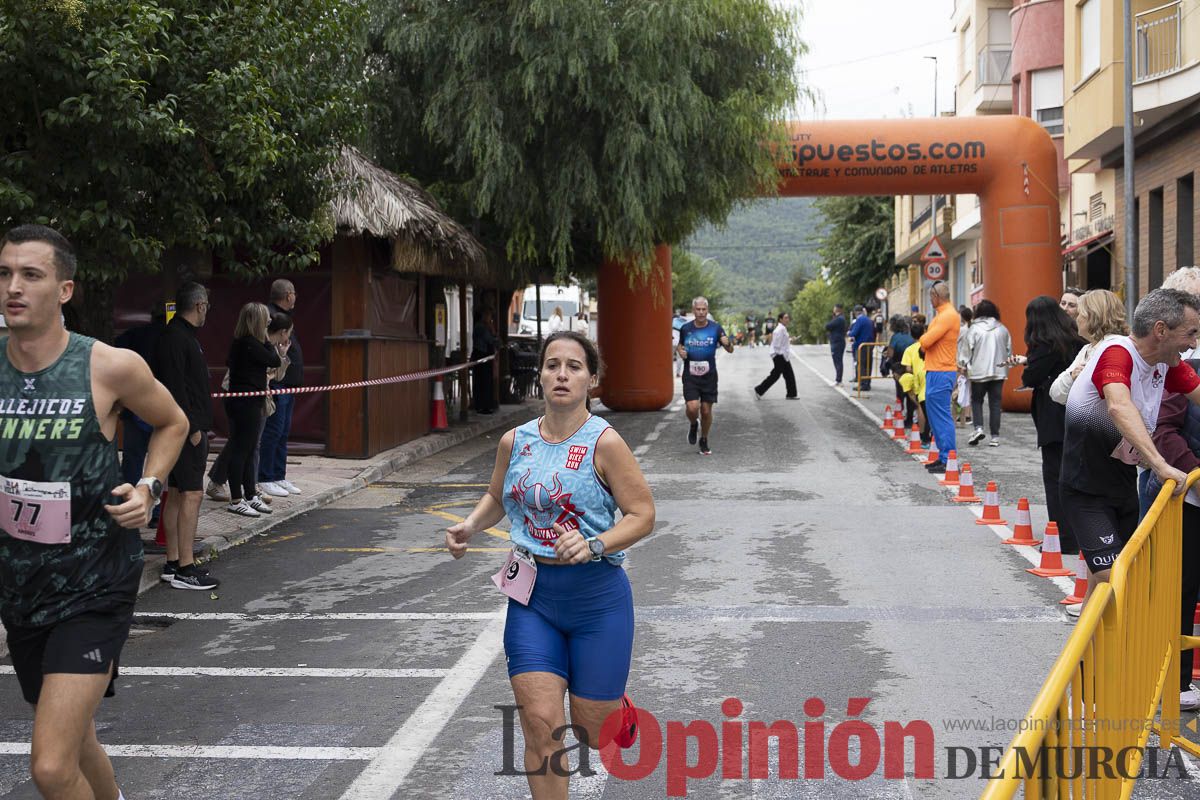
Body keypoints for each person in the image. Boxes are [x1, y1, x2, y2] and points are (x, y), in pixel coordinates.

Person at [0, 224, 189, 800]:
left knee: (52, 767)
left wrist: (149, 487)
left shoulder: (108, 366)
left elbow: (173, 421)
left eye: (31, 275)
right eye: (5, 274)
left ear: (64, 289)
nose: (14, 287)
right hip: (21, 583)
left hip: (95, 580)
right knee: (78, 740)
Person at [445, 331, 654, 799]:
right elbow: (499, 496)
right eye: (552, 365)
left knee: (592, 732)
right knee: (540, 727)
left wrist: (594, 544)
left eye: (574, 367)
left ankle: (615, 708)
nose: (562, 374)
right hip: (532, 599)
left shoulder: (606, 443)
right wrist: (470, 526)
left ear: (591, 380)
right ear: (539, 375)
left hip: (596, 598)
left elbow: (643, 516)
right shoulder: (514, 441)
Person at [1062, 288, 1200, 614]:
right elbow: (1118, 406)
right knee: (1117, 579)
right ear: (1161, 330)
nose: (1194, 343)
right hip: (1085, 490)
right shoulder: (1117, 352)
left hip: (1122, 488)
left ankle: (1087, 659)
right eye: (1190, 333)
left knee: (1107, 586)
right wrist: (1160, 464)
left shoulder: (1168, 363)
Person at [151, 282, 220, 590]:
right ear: (200, 306)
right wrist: (191, 427)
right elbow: (175, 387)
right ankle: (185, 567)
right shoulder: (177, 338)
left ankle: (174, 561)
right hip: (184, 429)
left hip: (185, 427)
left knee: (178, 493)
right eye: (207, 307)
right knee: (192, 493)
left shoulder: (181, 336)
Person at [1005, 297, 1086, 554]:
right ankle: (1083, 532)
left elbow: (1032, 376)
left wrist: (1029, 365)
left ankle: (1064, 536)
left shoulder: (1045, 344)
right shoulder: (1075, 339)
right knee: (1078, 476)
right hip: (1080, 411)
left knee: (1055, 477)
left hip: (1053, 417)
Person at [223, 302, 284, 517]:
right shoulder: (247, 343)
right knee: (241, 450)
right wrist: (268, 338)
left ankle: (250, 495)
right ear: (257, 322)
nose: (269, 323)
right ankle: (236, 499)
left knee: (249, 450)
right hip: (244, 404)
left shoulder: (246, 343)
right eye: (266, 320)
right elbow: (274, 359)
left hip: (252, 401)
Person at [114, 305, 166, 533]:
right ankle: (153, 512)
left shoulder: (132, 335)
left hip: (134, 406)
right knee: (157, 463)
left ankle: (126, 506)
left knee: (132, 460)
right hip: (160, 406)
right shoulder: (172, 338)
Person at [257, 279, 303, 497]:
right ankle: (265, 477)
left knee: (283, 432)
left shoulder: (283, 315)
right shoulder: (269, 316)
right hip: (276, 382)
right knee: (272, 431)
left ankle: (278, 475)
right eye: (293, 293)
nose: (295, 297)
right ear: (288, 295)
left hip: (288, 383)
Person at [1049, 289, 1128, 405]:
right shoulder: (1087, 349)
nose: (1077, 319)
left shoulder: (1115, 347)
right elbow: (1055, 393)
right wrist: (1072, 376)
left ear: (1094, 317)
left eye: (1080, 313)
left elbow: (1118, 403)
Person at [676, 296, 733, 455]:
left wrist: (727, 342)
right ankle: (694, 424)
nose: (701, 312)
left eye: (704, 309)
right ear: (693, 310)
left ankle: (704, 439)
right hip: (691, 375)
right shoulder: (686, 329)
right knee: (692, 407)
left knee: (706, 411)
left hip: (709, 376)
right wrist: (680, 352)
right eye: (698, 309)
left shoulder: (715, 328)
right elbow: (680, 347)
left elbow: (730, 350)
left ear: (707, 311)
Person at [961, 299, 1013, 447]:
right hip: (999, 371)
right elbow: (1009, 350)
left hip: (978, 372)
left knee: (977, 400)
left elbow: (966, 351)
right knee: (995, 403)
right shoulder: (1002, 328)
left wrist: (962, 364)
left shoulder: (974, 329)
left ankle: (978, 428)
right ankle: (995, 437)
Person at [920, 281, 959, 473]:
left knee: (941, 418)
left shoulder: (948, 315)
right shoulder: (943, 315)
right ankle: (943, 456)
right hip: (937, 370)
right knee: (935, 418)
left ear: (937, 296)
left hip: (941, 371)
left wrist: (923, 342)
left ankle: (948, 459)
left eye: (930, 296)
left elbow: (926, 340)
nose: (930, 300)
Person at [899, 320, 930, 446]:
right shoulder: (928, 346)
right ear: (924, 332)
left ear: (911, 335)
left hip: (919, 378)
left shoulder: (909, 350)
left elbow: (907, 369)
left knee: (921, 407)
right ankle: (932, 435)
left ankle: (924, 436)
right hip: (931, 373)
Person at [753, 312, 797, 399]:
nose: (787, 319)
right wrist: (781, 356)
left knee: (789, 374)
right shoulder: (780, 329)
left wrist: (790, 339)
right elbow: (777, 345)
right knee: (776, 375)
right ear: (780, 319)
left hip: (782, 355)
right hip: (779, 355)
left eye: (788, 318)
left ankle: (791, 394)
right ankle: (759, 390)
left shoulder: (782, 328)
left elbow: (783, 341)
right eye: (785, 318)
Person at [885, 315, 916, 429]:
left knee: (900, 391)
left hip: (898, 366)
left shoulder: (895, 337)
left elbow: (890, 354)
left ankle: (900, 411)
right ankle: (910, 418)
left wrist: (886, 355)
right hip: (911, 366)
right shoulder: (911, 337)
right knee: (910, 392)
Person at [472, 307, 499, 414]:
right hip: (481, 355)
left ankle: (487, 404)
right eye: (488, 316)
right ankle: (482, 405)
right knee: (482, 382)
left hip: (487, 357)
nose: (490, 319)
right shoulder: (480, 327)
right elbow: (490, 340)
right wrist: (492, 332)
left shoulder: (485, 327)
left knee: (487, 382)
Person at [954, 305, 974, 425]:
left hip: (961, 362)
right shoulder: (973, 329)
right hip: (971, 363)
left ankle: (958, 414)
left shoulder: (962, 330)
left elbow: (954, 343)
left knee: (959, 388)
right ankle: (968, 415)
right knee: (969, 390)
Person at [848, 305, 875, 390]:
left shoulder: (859, 320)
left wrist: (849, 333)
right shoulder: (869, 320)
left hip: (861, 345)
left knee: (862, 365)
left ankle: (863, 385)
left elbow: (854, 333)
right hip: (870, 345)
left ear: (855, 312)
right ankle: (868, 383)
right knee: (868, 365)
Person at [825, 304, 848, 386]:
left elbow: (828, 326)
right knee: (838, 361)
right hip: (838, 341)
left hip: (837, 342)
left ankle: (839, 380)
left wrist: (833, 319)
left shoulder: (839, 319)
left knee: (838, 361)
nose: (833, 309)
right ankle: (838, 379)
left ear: (838, 309)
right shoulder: (840, 318)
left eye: (834, 308)